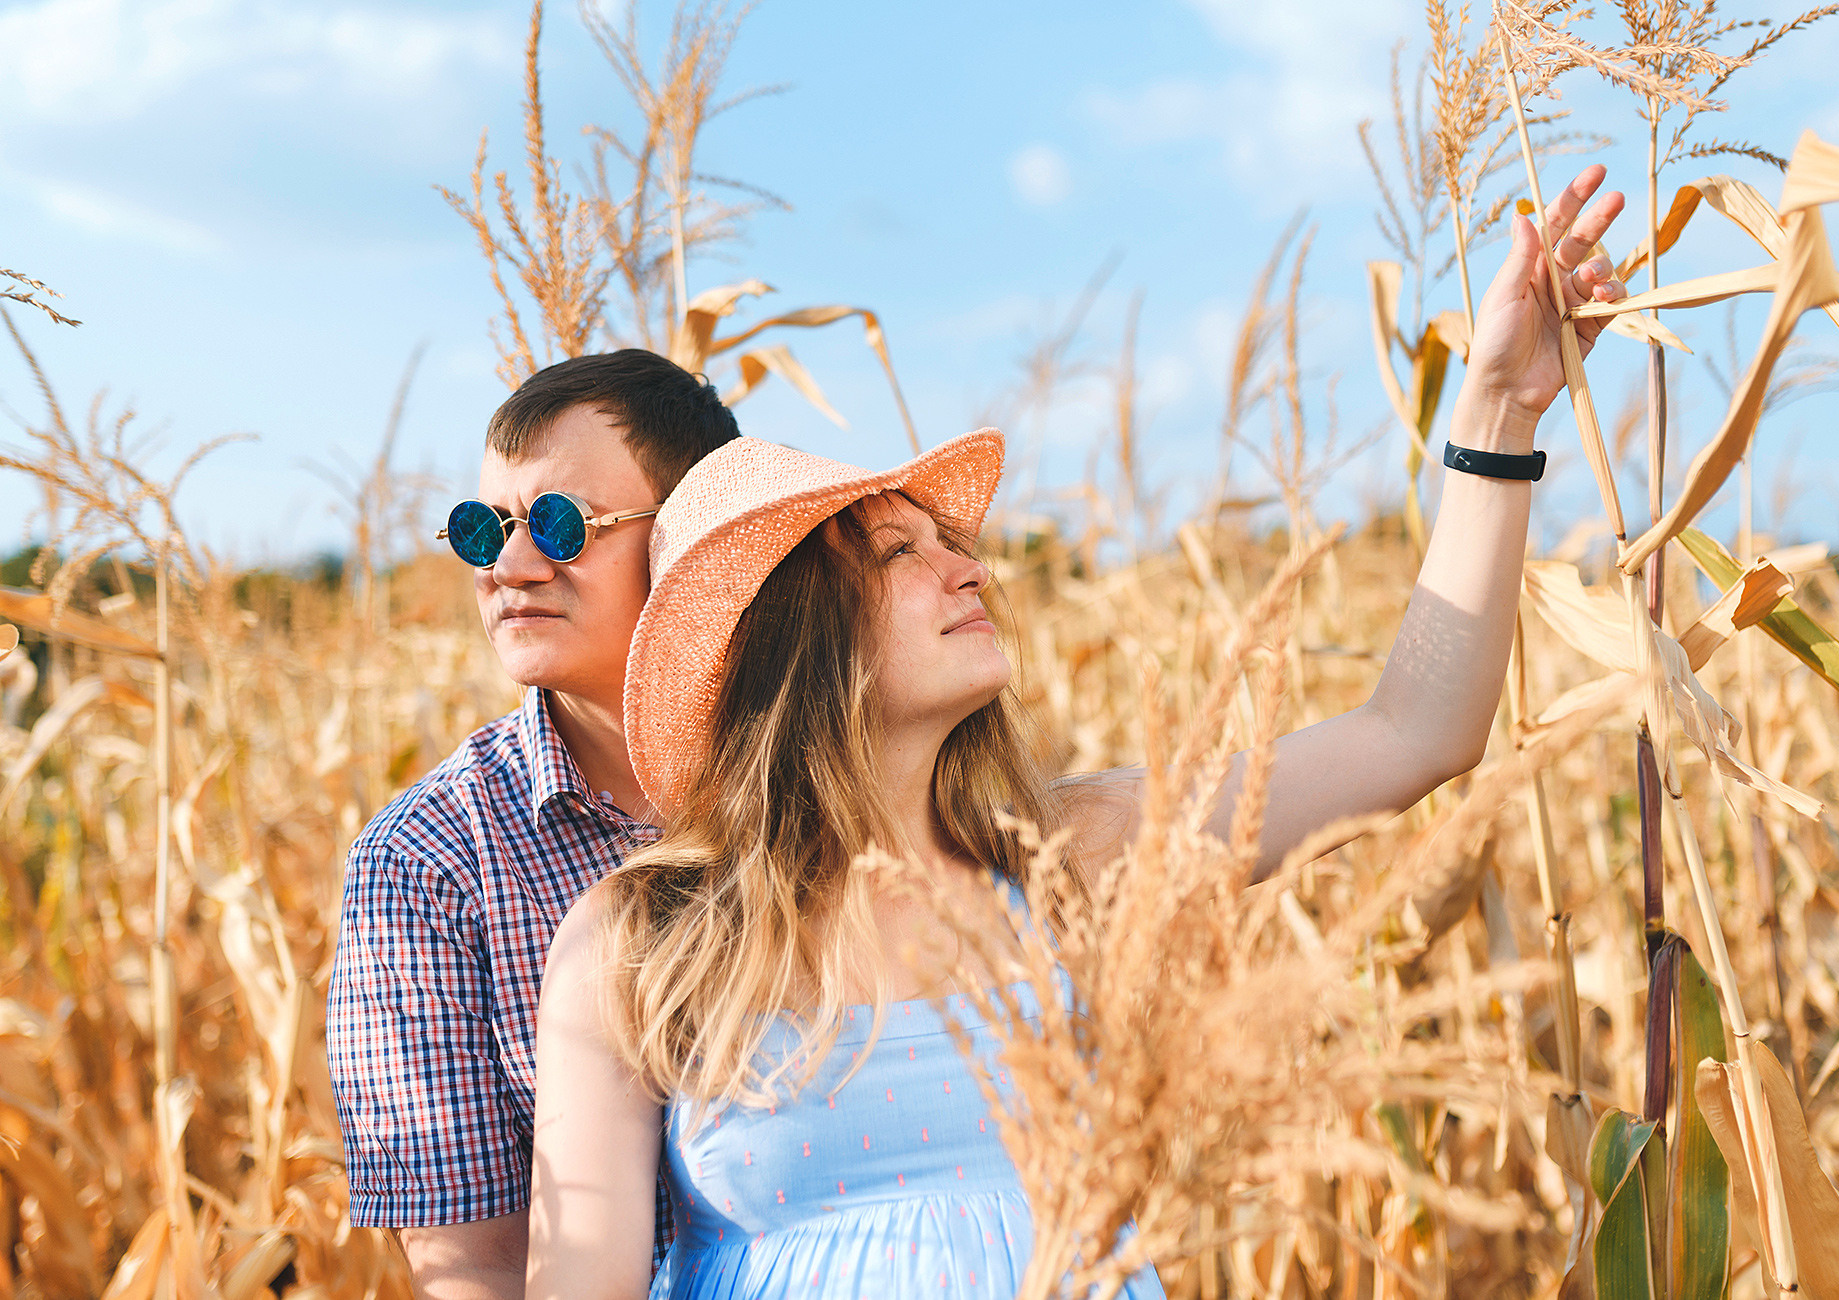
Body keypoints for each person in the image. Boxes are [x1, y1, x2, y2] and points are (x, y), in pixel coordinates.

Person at [526, 168, 1630, 1300]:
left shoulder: (1064, 861)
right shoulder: (641, 940)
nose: (971, 565)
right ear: (797, 638)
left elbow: (1414, 730)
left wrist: (1497, 409)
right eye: (902, 552)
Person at [327, 350, 739, 1300]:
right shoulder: (424, 867)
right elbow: (477, 1266)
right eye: (483, 529)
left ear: (694, 537)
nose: (509, 568)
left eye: (561, 524)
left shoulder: (835, 773)